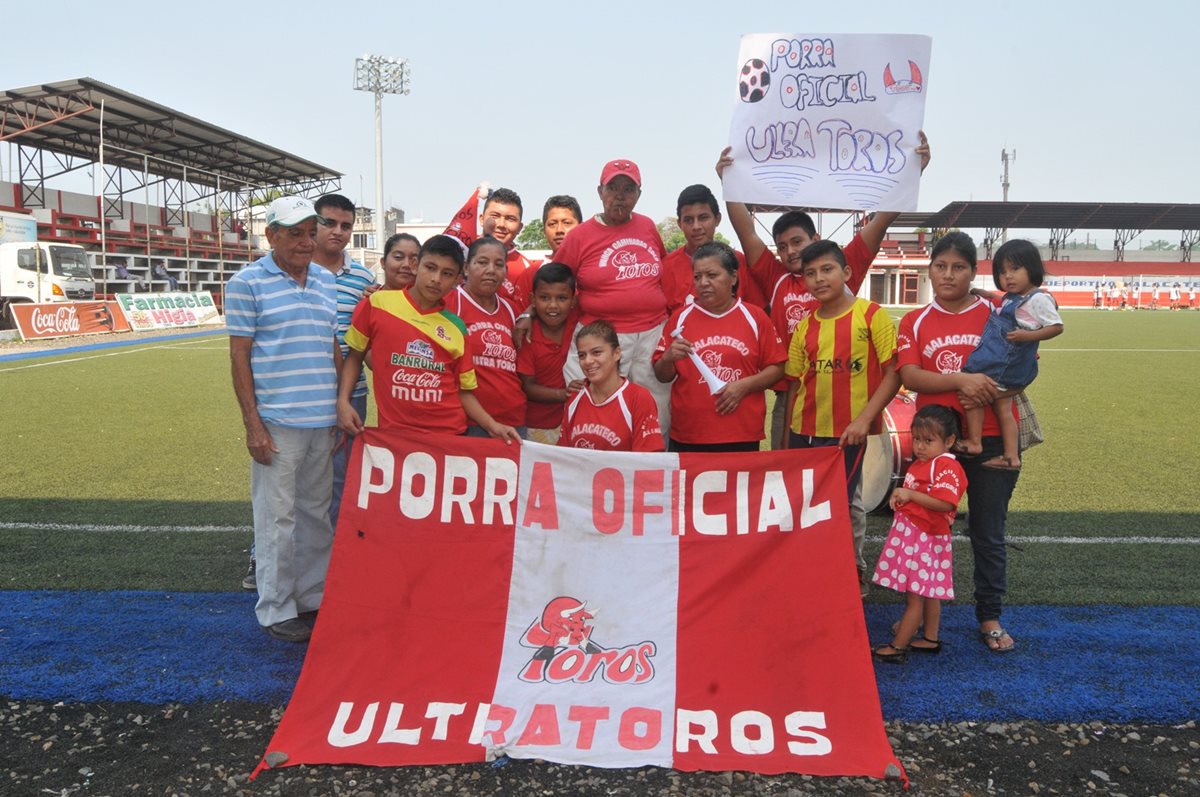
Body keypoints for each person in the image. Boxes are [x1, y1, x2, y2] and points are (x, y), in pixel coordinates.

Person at [895, 231, 1020, 653]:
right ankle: (919, 613)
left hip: (988, 442)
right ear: (930, 269)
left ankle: (989, 615)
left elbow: (1018, 368)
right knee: (922, 529)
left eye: (959, 267)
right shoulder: (915, 320)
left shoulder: (997, 314)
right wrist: (962, 379)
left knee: (987, 531)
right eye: (941, 266)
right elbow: (911, 376)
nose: (948, 274)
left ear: (973, 271)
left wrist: (986, 389)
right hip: (933, 445)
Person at [225, 196, 340, 644]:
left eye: (310, 232)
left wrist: (336, 407)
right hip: (276, 421)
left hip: (320, 419)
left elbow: (331, 347)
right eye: (294, 232)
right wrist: (252, 425)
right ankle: (275, 608)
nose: (305, 241)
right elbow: (239, 358)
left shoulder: (327, 282)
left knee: (315, 514)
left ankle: (312, 597)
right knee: (276, 518)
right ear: (270, 235)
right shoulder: (247, 283)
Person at [782, 240, 900, 583]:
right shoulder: (805, 326)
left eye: (827, 269)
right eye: (810, 273)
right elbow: (794, 383)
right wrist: (787, 438)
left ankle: (848, 577)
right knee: (807, 507)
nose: (819, 278)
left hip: (847, 433)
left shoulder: (871, 314)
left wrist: (864, 420)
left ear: (846, 272)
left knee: (841, 508)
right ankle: (814, 578)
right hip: (804, 433)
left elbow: (894, 371)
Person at [337, 234, 519, 443]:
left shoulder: (457, 328)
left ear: (458, 279)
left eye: (447, 273)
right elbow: (355, 355)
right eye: (430, 268)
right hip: (393, 436)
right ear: (416, 265)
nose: (436, 279)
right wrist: (343, 401)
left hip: (448, 437)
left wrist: (492, 425)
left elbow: (463, 392)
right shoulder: (377, 303)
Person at [552, 159, 672, 432]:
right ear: (599, 191)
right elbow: (554, 284)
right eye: (613, 187)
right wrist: (528, 312)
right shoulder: (579, 236)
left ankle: (649, 472)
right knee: (597, 416)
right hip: (600, 337)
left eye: (628, 189)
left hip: (652, 334)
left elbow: (665, 271)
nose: (620, 195)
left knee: (654, 415)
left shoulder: (648, 227)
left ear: (639, 195)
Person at [652, 241, 785, 452]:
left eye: (712, 275)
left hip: (741, 432)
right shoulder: (680, 318)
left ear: (733, 278)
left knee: (740, 486)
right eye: (697, 277)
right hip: (689, 434)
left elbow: (777, 368)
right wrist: (668, 358)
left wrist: (744, 386)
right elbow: (662, 375)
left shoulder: (755, 316)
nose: (703, 283)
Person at [871, 404, 967, 664]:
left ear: (949, 441)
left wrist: (910, 494)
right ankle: (930, 638)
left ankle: (898, 646)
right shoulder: (927, 462)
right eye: (916, 439)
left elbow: (947, 503)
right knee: (928, 592)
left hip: (924, 537)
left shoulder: (945, 466)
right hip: (918, 535)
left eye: (928, 440)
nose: (920, 446)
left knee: (914, 598)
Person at [958, 240, 1064, 471]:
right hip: (1005, 361)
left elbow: (1057, 326)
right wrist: (987, 294)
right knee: (1003, 409)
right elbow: (1005, 305)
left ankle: (975, 442)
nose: (1008, 277)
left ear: (1032, 268)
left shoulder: (1039, 299)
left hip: (1004, 363)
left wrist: (1028, 336)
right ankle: (1011, 457)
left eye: (1015, 269)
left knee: (971, 391)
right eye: (1003, 272)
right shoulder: (1013, 297)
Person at [311, 194, 377, 535]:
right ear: (314, 223)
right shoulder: (293, 269)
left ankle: (334, 554)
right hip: (304, 391)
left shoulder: (364, 280)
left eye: (346, 226)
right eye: (329, 223)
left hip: (353, 392)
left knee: (342, 475)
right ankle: (261, 554)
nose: (338, 231)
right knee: (290, 476)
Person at [445, 236, 527, 437]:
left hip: (514, 420)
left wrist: (528, 314)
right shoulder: (451, 303)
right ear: (466, 268)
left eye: (499, 264)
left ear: (506, 272)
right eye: (482, 262)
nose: (491, 270)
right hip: (470, 422)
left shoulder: (512, 310)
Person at [560, 320, 665, 452]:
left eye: (596, 352)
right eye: (582, 355)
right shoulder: (576, 395)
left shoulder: (638, 398)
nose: (588, 361)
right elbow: (563, 457)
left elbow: (648, 461)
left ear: (616, 353)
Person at [660, 184, 766, 313]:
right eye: (688, 220)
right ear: (679, 224)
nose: (696, 226)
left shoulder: (737, 261)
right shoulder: (666, 267)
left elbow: (759, 311)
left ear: (717, 219)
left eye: (703, 218)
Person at [518, 263, 578, 444]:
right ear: (533, 300)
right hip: (538, 425)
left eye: (561, 298)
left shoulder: (578, 324)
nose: (553, 306)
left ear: (573, 301)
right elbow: (527, 387)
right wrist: (562, 394)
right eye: (544, 298)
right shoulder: (527, 336)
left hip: (575, 423)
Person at [479, 187, 534, 307]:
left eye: (510, 219)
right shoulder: (461, 252)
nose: (501, 225)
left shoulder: (527, 269)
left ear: (520, 227)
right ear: (481, 219)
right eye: (495, 216)